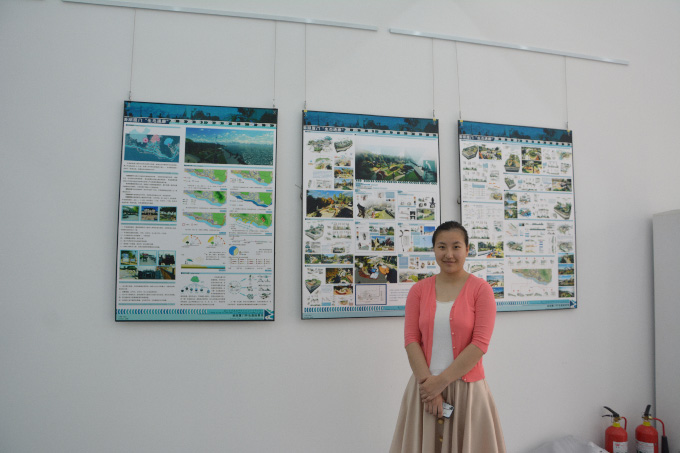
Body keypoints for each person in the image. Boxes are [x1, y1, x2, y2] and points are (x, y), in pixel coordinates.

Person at [390, 221, 505, 453]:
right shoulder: (418, 290)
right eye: (442, 247)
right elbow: (411, 340)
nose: (449, 254)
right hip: (424, 389)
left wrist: (439, 383)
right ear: (434, 249)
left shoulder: (481, 290)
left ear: (467, 249)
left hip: (467, 391)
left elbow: (480, 344)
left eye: (456, 247)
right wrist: (429, 387)